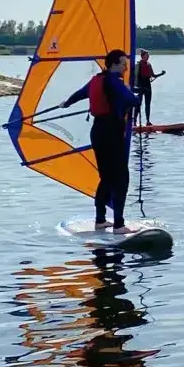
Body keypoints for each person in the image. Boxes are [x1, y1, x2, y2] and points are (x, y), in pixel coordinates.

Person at [60, 49, 140, 234]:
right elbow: (133, 101)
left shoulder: (96, 80)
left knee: (106, 178)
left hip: (97, 131)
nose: (126, 67)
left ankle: (100, 220)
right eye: (123, 64)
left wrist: (66, 103)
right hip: (111, 132)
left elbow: (79, 94)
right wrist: (130, 92)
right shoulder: (114, 81)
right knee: (121, 178)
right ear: (113, 65)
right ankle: (119, 225)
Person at [135, 49, 165, 126]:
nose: (148, 57)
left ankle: (148, 121)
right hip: (140, 85)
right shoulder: (138, 65)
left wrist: (161, 74)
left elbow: (153, 75)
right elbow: (135, 76)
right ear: (142, 56)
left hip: (148, 85)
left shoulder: (148, 64)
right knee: (138, 103)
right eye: (146, 56)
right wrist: (136, 86)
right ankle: (134, 121)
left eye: (148, 56)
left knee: (147, 104)